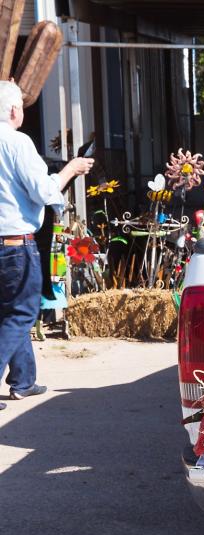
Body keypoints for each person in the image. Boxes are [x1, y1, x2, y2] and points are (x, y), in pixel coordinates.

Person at [0, 81, 94, 410]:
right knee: (23, 313)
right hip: (14, 242)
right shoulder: (17, 142)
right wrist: (69, 169)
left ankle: (23, 381)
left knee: (9, 313)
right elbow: (42, 191)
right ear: (14, 110)